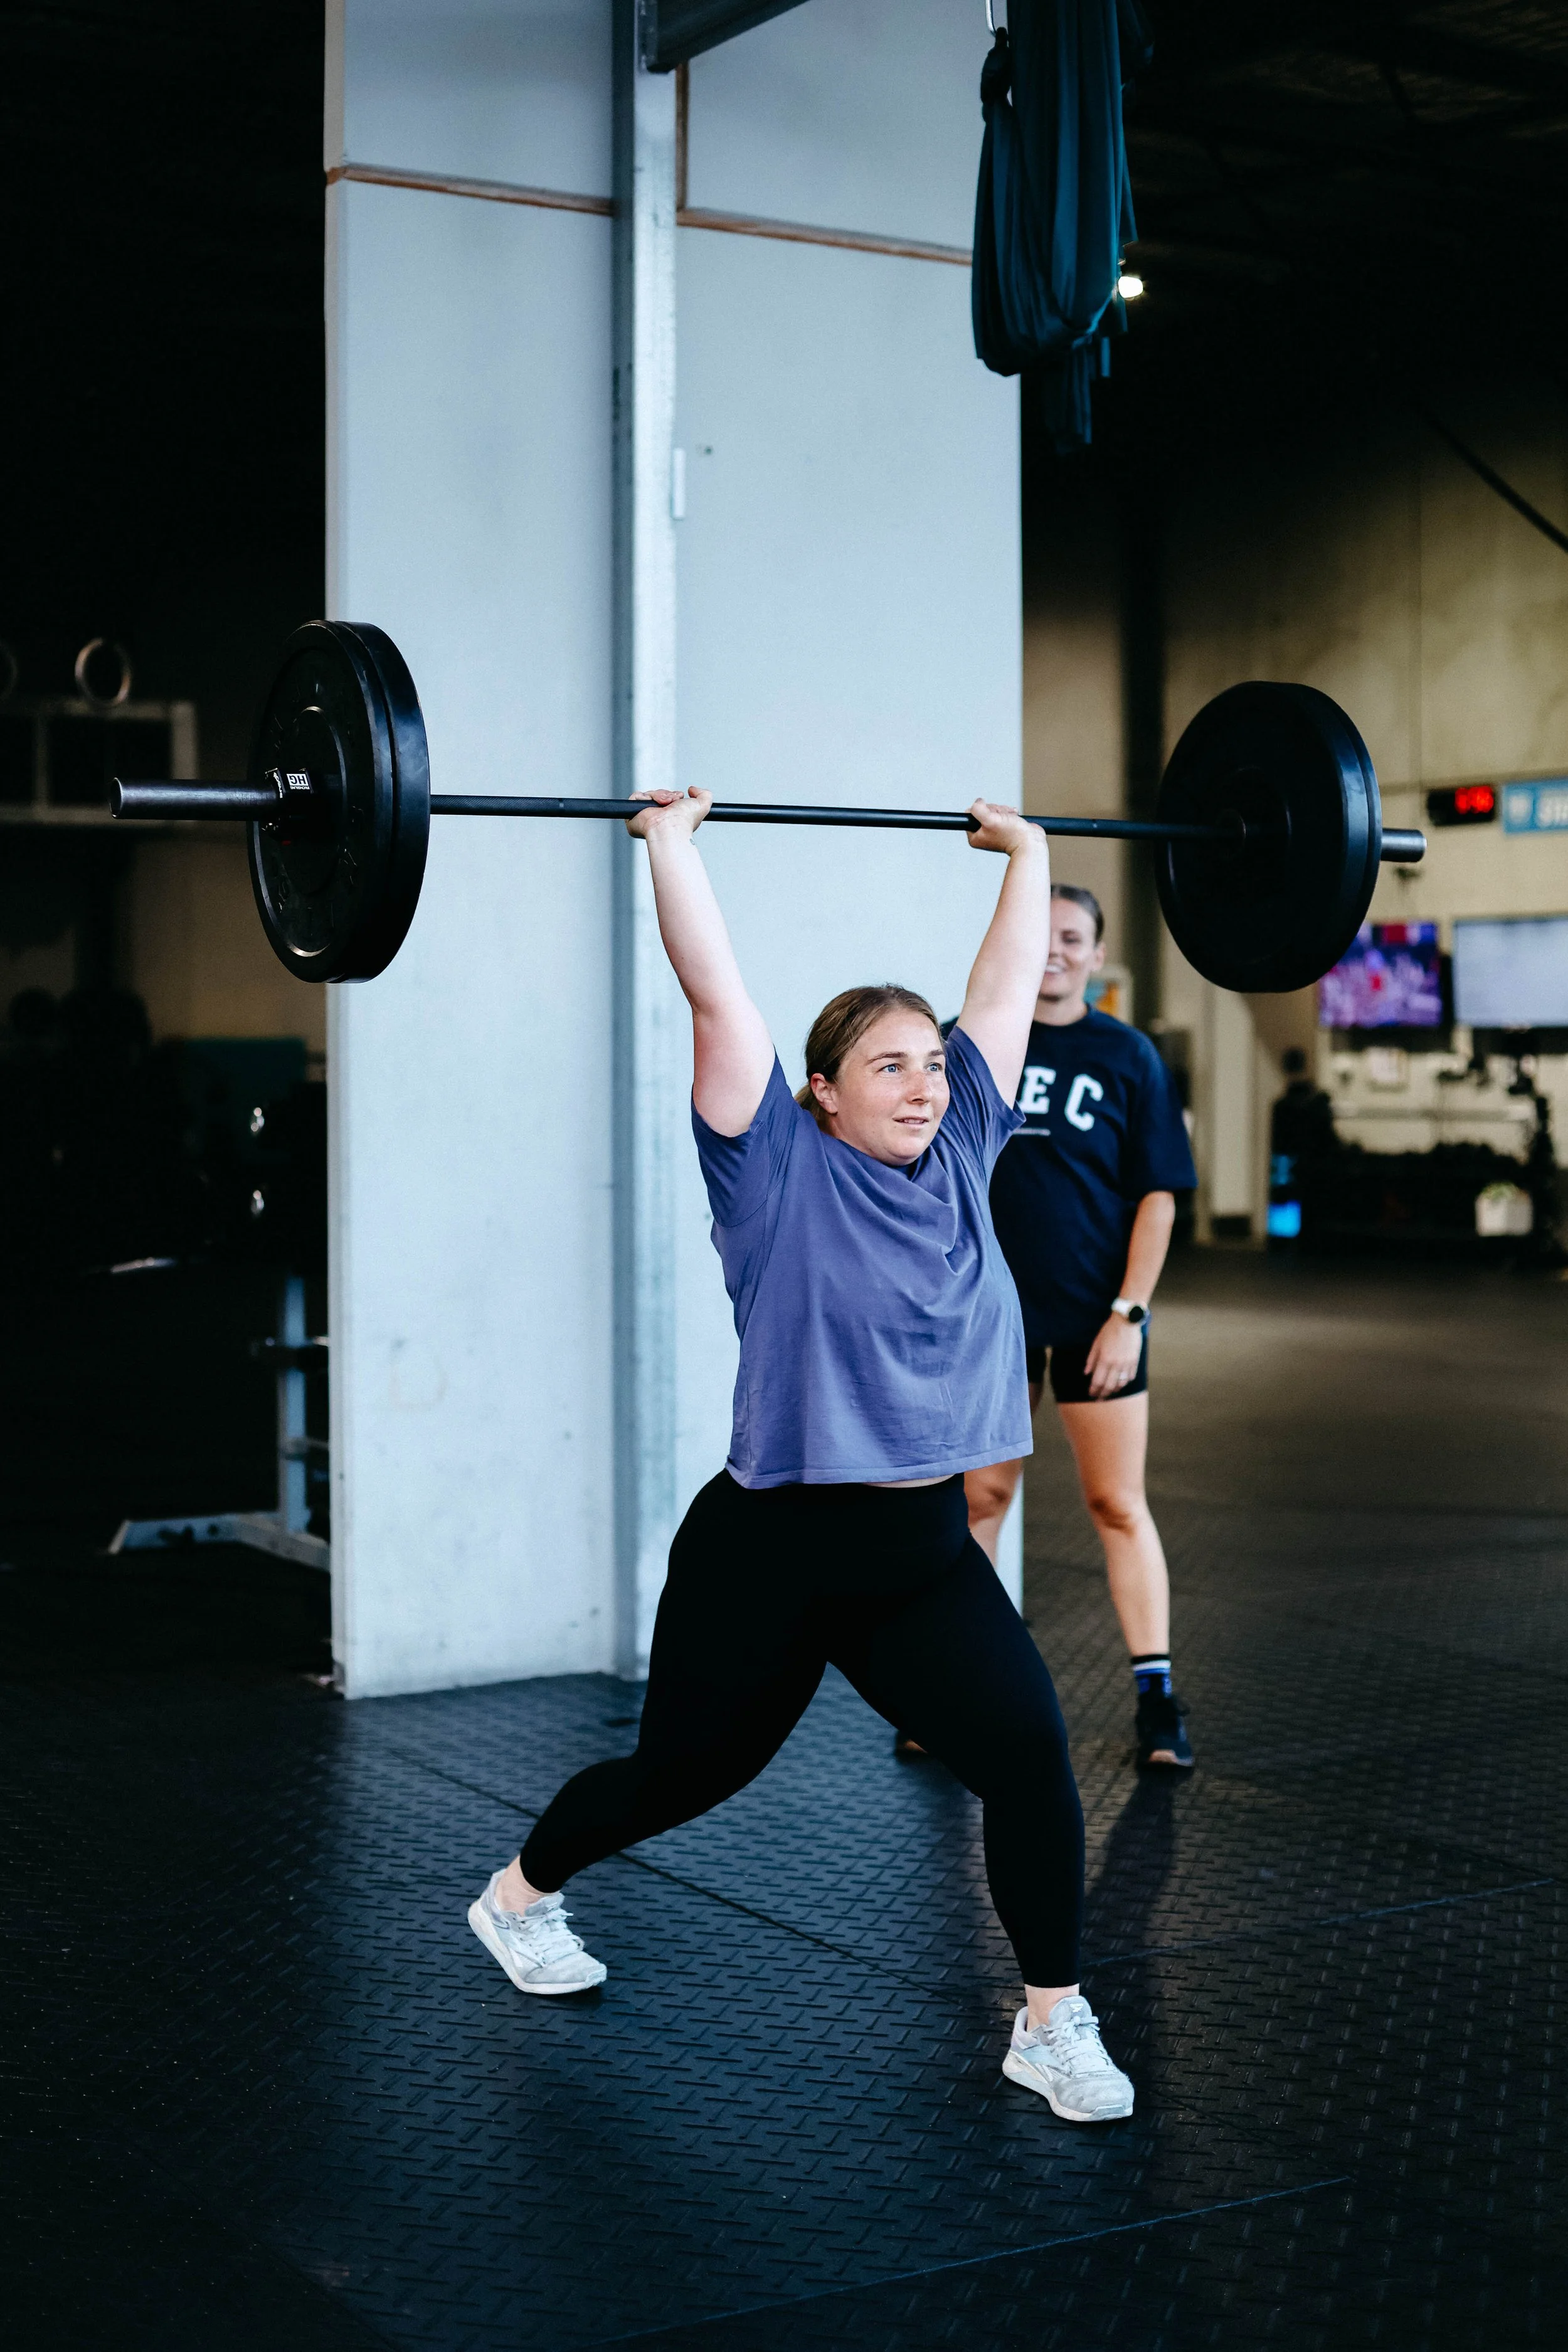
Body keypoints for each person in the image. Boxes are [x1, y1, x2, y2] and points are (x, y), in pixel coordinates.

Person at [467, 788, 1135, 2123]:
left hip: (920, 1558)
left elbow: (997, 990)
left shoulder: (960, 1155)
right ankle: (516, 1896)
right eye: (887, 1067)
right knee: (680, 1777)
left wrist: (1031, 857)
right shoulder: (768, 1170)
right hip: (767, 1553)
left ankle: (1050, 2023)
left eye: (930, 1067)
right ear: (820, 1093)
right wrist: (672, 849)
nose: (923, 1084)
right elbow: (720, 999)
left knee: (1026, 1756)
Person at [958, 884, 1198, 1771]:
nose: (1054, 949)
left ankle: (1158, 1701)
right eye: (1042, 934)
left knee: (1116, 1503)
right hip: (992, 1324)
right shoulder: (973, 1042)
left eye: (1072, 937)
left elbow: (1158, 1199)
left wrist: (1129, 1315)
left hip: (1099, 1319)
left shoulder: (1128, 1054)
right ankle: (961, 1691)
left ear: (1098, 956)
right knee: (980, 1502)